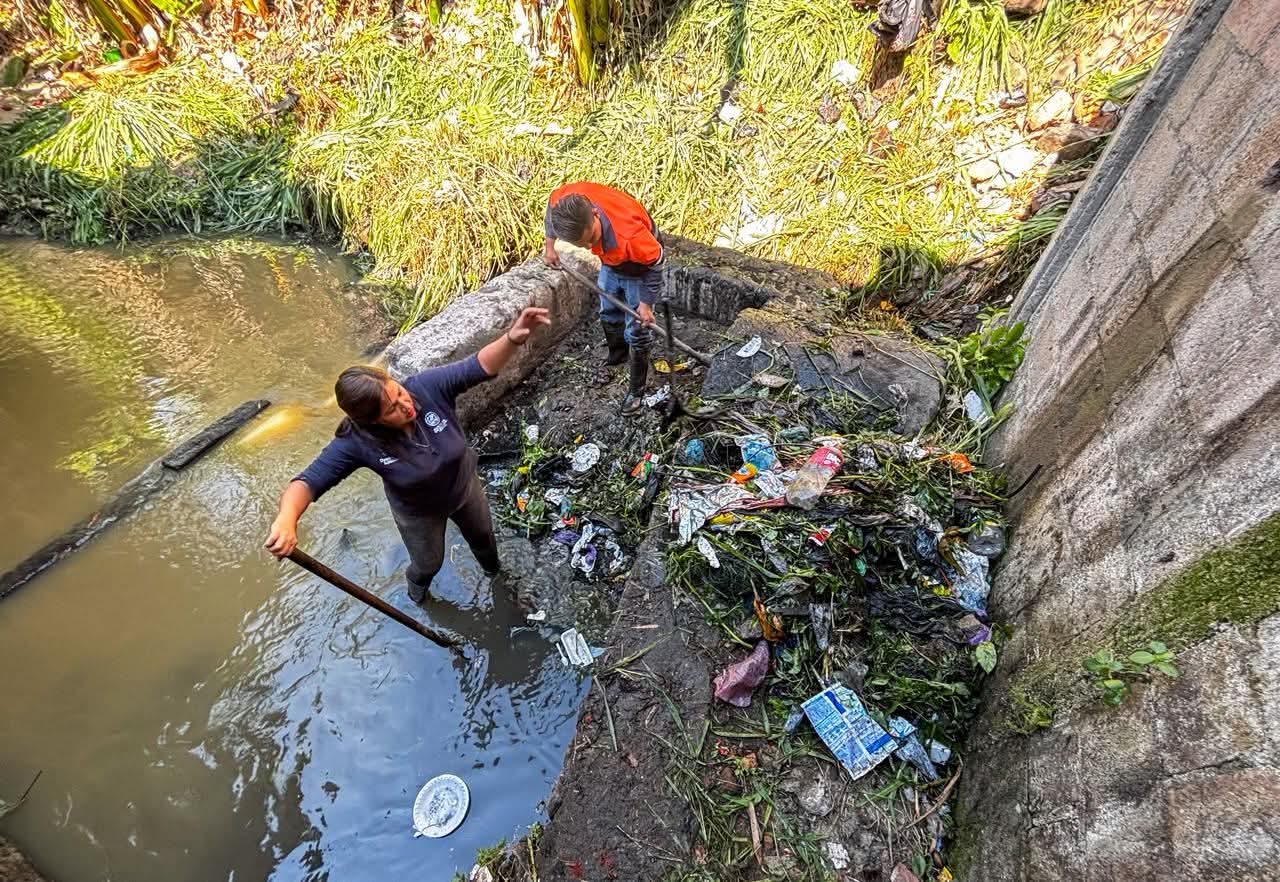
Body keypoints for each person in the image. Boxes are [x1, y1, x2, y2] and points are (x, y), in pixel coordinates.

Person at [265, 307, 552, 606]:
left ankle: (496, 579)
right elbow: (307, 482)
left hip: (465, 487)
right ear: (372, 420)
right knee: (429, 564)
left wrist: (512, 338)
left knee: (484, 538)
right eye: (392, 409)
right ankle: (417, 595)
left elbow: (477, 366)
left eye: (399, 393)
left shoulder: (425, 388)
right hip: (419, 513)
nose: (406, 405)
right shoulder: (356, 442)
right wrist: (287, 519)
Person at [542, 181, 662, 416]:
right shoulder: (565, 201)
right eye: (582, 245)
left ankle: (636, 390)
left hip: (638, 266)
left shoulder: (631, 237)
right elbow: (551, 211)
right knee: (608, 310)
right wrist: (550, 247)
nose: (590, 247)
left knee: (638, 329)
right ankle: (617, 354)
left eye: (592, 238)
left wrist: (646, 305)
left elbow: (656, 265)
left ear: (595, 214)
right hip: (612, 260)